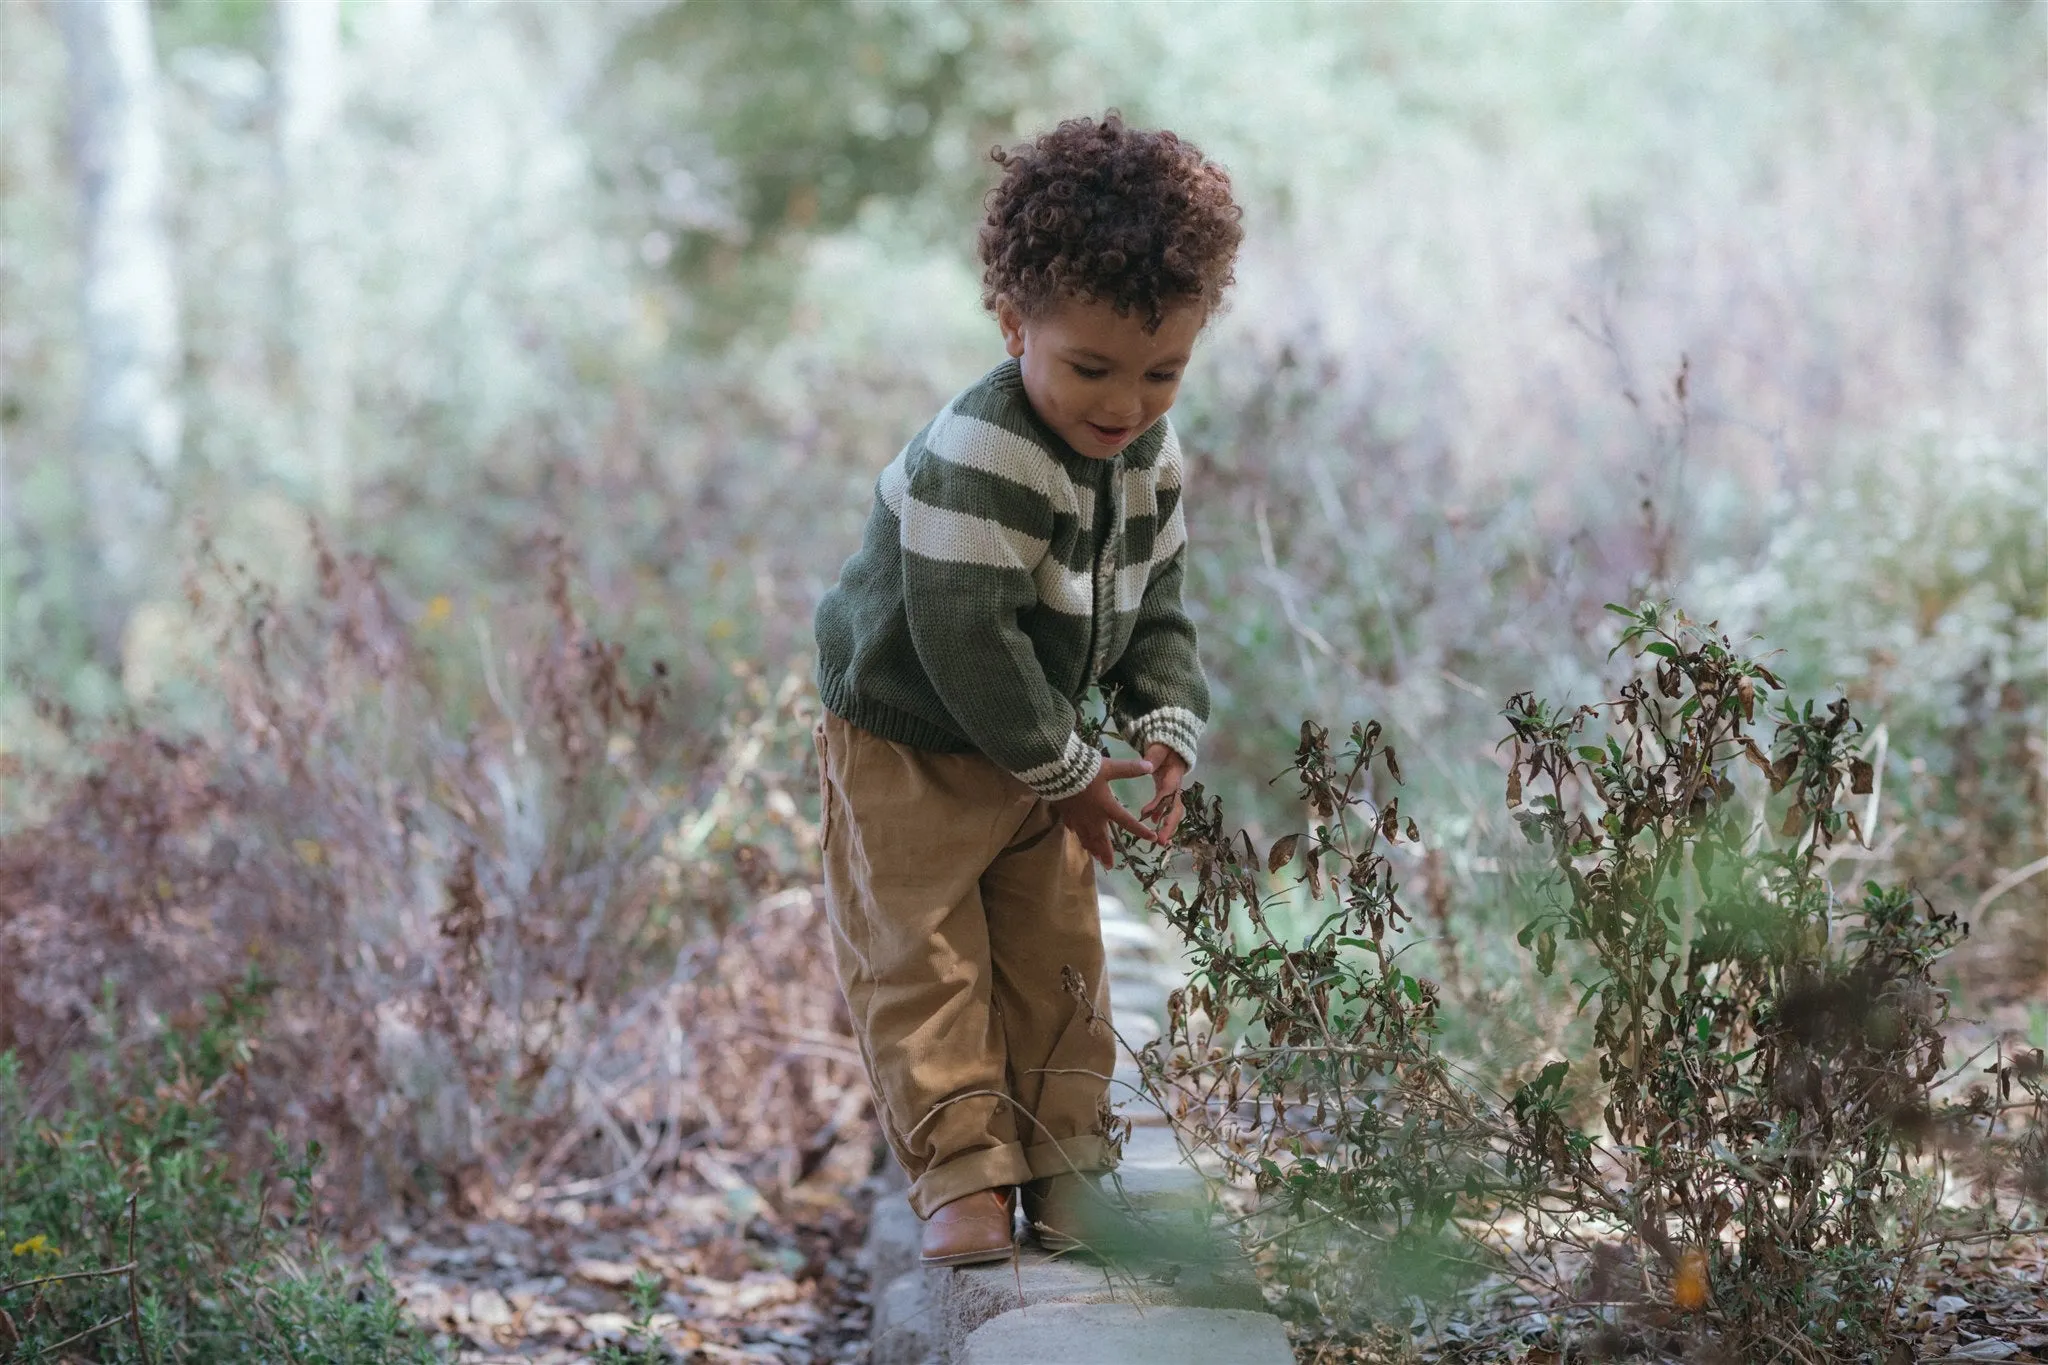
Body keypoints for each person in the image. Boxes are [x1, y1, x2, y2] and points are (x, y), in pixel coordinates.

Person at [811, 111, 1242, 1267]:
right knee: (922, 958)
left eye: (1164, 372)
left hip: (1032, 742)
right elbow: (964, 638)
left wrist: (1159, 729)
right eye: (1090, 368)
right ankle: (961, 1180)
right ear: (1014, 326)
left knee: (1059, 961)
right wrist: (1064, 770)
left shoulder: (1145, 456)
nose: (1126, 403)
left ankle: (1066, 1174)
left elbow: (1157, 607)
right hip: (909, 743)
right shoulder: (982, 450)